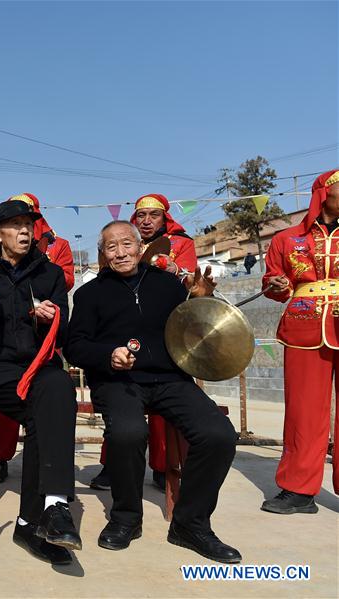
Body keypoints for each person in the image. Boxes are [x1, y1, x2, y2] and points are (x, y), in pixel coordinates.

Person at [65, 220, 241, 563]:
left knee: (218, 434)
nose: (121, 252)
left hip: (170, 379)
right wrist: (108, 355)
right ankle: (126, 518)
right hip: (118, 382)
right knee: (129, 432)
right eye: (111, 247)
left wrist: (202, 300)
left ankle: (190, 524)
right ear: (103, 254)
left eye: (127, 244)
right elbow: (75, 346)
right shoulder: (89, 294)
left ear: (141, 247)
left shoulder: (169, 286)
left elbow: (195, 328)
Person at [0, 199, 79, 566]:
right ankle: (32, 521)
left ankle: (52, 508)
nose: (25, 231)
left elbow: (63, 333)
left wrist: (48, 318)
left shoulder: (50, 274)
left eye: (29, 225)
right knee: (48, 413)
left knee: (58, 388)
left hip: (38, 366)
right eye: (16, 225)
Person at [91, 193, 199, 492]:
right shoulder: (121, 241)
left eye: (154, 215)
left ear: (165, 217)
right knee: (121, 407)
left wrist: (176, 271)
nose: (147, 220)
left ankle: (165, 466)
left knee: (167, 401)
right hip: (125, 325)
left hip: (167, 325)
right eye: (141, 216)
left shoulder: (182, 243)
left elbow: (191, 283)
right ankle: (113, 464)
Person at [260, 169, 339, 514]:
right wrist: (276, 285)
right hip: (305, 326)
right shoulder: (286, 238)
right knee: (303, 411)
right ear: (323, 194)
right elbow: (271, 282)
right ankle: (298, 490)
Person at [0, 193, 76, 484]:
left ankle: (48, 471)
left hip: (45, 328)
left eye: (28, 217)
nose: (23, 225)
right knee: (7, 402)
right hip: (9, 330)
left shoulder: (57, 245)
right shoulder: (0, 244)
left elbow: (67, 278)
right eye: (16, 220)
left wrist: (37, 275)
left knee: (53, 394)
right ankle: (0, 457)